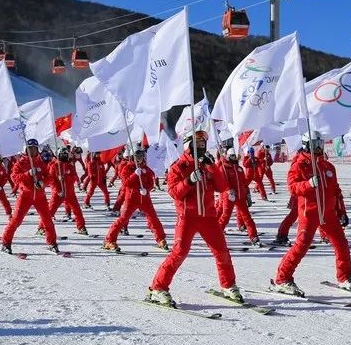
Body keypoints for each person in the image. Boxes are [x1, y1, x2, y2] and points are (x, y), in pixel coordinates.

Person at [148, 131, 242, 307]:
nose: (201, 146)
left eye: (202, 144)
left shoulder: (207, 166)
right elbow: (174, 193)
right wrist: (189, 181)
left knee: (222, 252)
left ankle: (228, 285)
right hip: (187, 217)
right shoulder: (179, 166)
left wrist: (213, 167)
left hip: (208, 217)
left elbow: (222, 187)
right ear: (188, 145)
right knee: (179, 253)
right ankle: (158, 288)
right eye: (197, 143)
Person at [271, 131, 351, 295]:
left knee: (341, 244)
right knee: (302, 246)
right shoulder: (299, 165)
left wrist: (342, 211)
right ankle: (283, 278)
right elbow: (293, 187)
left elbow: (336, 191)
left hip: (329, 213)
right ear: (306, 145)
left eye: (320, 144)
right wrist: (308, 184)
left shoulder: (327, 166)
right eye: (314, 145)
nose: (318, 148)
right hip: (309, 212)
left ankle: (344, 277)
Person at [1, 139, 61, 254]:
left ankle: (52, 243)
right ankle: (5, 243)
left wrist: (43, 182)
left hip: (40, 196)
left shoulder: (41, 163)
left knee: (47, 221)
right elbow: (15, 178)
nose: (33, 151)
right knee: (16, 220)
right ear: (25, 150)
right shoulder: (20, 163)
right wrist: (27, 173)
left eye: (35, 148)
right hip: (25, 196)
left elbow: (49, 177)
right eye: (30, 149)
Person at [103, 148, 168, 251]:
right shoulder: (127, 168)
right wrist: (134, 174)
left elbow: (151, 182)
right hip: (131, 199)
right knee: (123, 219)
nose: (139, 159)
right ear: (133, 157)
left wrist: (147, 189)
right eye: (137, 157)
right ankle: (109, 240)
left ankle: (160, 239)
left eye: (141, 157)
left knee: (153, 218)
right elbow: (126, 183)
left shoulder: (146, 169)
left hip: (145, 199)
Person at [218, 149, 261, 246]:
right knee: (225, 217)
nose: (235, 158)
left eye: (236, 156)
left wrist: (248, 195)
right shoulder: (224, 168)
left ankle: (253, 236)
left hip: (240, 196)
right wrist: (229, 191)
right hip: (229, 197)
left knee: (247, 217)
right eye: (232, 156)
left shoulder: (239, 168)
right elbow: (223, 183)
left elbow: (244, 183)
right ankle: (216, 236)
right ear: (228, 157)